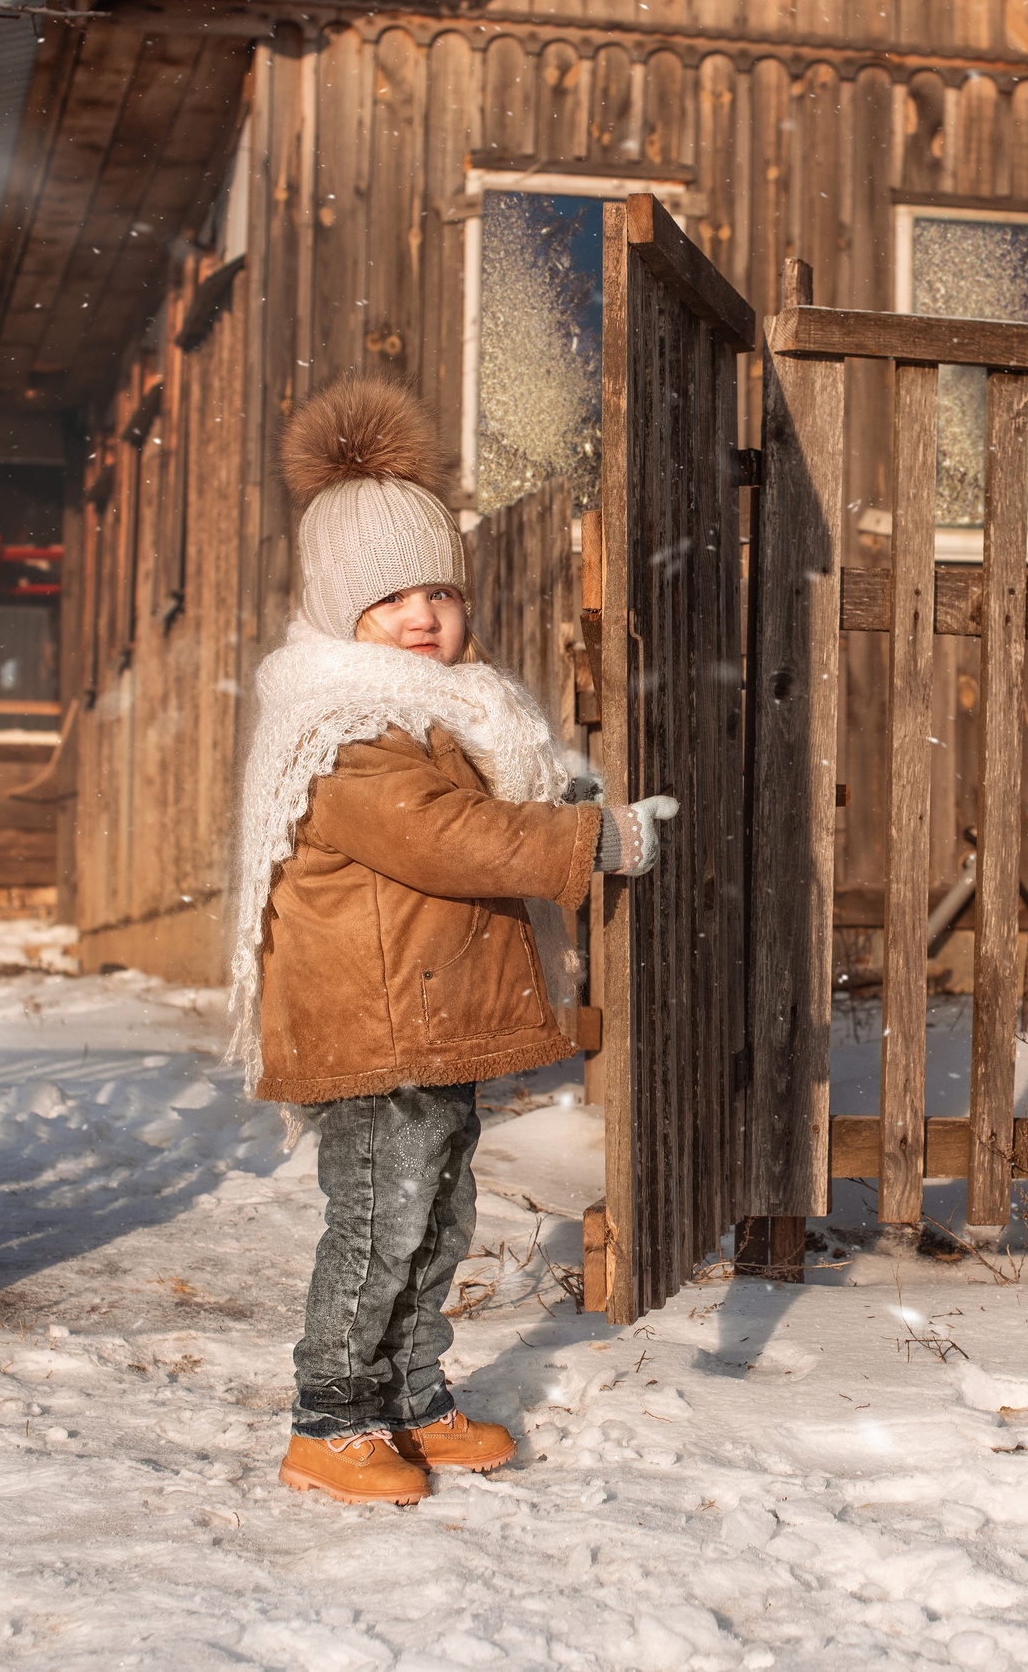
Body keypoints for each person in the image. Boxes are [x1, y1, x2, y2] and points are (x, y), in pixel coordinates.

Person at [225, 377, 677, 1507]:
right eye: (389, 598)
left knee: (437, 1219)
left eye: (440, 591)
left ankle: (411, 1398)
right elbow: (447, 837)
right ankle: (331, 1419)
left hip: (426, 1017)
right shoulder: (342, 728)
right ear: (339, 611)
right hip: (374, 1025)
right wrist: (591, 840)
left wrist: (565, 797)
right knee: (380, 1225)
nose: (422, 615)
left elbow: (484, 805)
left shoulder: (443, 711)